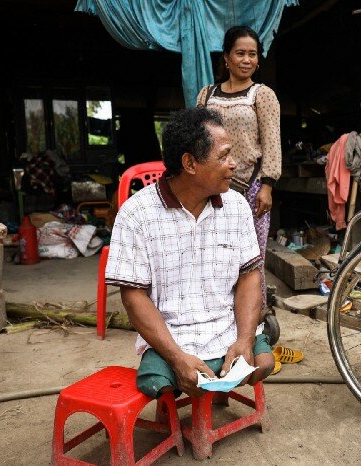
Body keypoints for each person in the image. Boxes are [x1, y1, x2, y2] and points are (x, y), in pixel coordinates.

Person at [105, 107, 275, 397]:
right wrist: (175, 356)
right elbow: (133, 297)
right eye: (223, 156)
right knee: (157, 384)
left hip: (227, 327)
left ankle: (231, 362)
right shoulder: (136, 214)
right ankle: (179, 372)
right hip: (172, 336)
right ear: (190, 163)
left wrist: (245, 339)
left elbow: (249, 277)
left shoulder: (236, 206)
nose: (234, 164)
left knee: (264, 363)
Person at [196, 25, 281, 311]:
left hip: (251, 187)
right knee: (212, 255)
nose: (247, 60)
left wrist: (267, 186)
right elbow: (198, 140)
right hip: (211, 189)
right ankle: (216, 316)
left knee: (252, 256)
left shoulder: (262, 94)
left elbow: (272, 142)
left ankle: (255, 322)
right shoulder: (206, 95)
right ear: (226, 58)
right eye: (240, 53)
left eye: (253, 54)